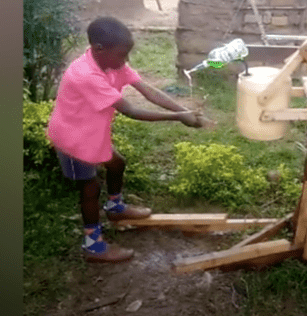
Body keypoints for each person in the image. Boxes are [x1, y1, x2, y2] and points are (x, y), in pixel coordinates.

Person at [47, 17, 203, 263]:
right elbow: (129, 109)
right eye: (122, 54)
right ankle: (93, 246)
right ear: (99, 48)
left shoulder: (112, 62)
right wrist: (177, 117)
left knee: (117, 163)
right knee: (90, 188)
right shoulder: (85, 74)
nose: (126, 61)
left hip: (91, 133)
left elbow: (147, 90)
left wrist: (183, 109)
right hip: (71, 139)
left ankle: (115, 208)